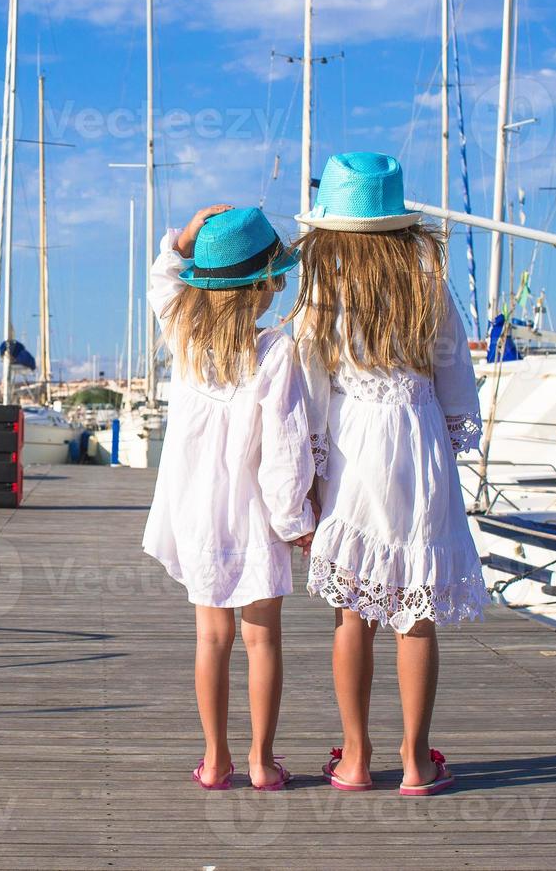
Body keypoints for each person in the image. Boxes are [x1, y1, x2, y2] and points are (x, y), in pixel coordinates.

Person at [290, 152, 486, 797]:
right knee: (416, 611)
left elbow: (313, 386)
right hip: (418, 435)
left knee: (353, 613)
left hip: (355, 442)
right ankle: (414, 761)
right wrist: (450, 434)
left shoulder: (325, 290)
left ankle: (354, 756)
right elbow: (456, 374)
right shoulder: (429, 285)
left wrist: (311, 471)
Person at [141, 203, 319, 792]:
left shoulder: (183, 336)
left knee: (211, 638)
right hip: (252, 514)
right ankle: (263, 762)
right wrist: (296, 519)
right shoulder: (275, 352)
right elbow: (285, 450)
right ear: (265, 283)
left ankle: (215, 760)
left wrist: (187, 235)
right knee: (262, 637)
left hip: (196, 512)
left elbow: (163, 278)